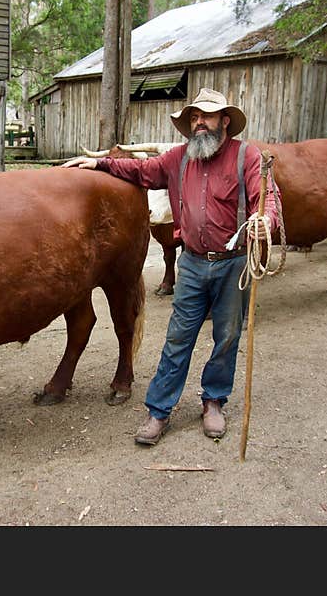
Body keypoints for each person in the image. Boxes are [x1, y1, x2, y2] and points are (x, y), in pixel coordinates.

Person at [62, 88, 279, 445]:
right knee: (178, 339)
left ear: (225, 120)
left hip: (233, 264)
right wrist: (100, 163)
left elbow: (267, 197)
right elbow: (142, 171)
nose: (199, 124)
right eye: (194, 118)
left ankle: (213, 401)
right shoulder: (178, 159)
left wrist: (265, 221)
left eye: (206, 117)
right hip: (192, 264)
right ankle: (159, 411)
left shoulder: (247, 158)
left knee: (226, 338)